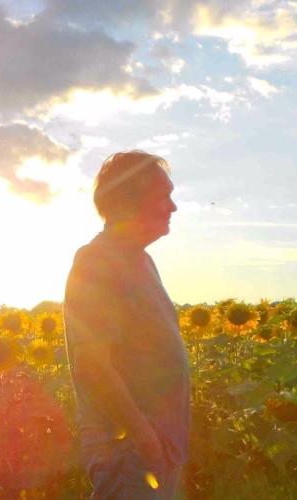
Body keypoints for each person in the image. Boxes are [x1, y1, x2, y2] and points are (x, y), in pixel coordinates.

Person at [64, 151, 190, 499]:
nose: (173, 207)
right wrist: (142, 436)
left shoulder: (140, 260)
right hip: (128, 452)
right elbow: (91, 364)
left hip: (152, 449)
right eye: (163, 196)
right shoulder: (97, 261)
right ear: (128, 202)